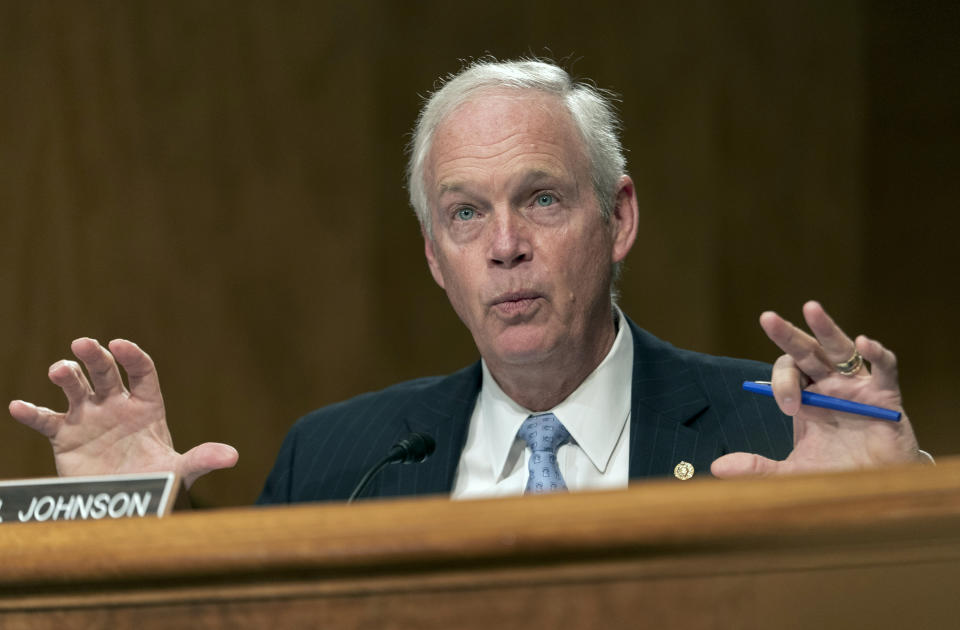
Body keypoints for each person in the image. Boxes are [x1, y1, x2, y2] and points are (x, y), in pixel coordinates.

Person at [7, 58, 928, 503]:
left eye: (540, 200)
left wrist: (894, 511)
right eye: (464, 214)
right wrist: (134, 521)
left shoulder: (774, 437)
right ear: (433, 259)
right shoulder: (338, 464)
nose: (505, 246)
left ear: (621, 220)